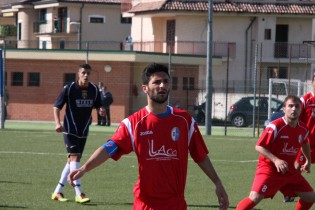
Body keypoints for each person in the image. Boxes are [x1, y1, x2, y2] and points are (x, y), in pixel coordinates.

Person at [68, 63, 229, 210]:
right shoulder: (133, 123)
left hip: (176, 204)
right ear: (145, 88)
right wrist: (84, 168)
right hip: (145, 205)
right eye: (157, 82)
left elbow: (200, 155)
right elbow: (108, 149)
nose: (162, 86)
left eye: (166, 81)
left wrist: (217, 182)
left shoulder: (184, 121)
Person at [236, 95, 315, 210]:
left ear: (301, 109)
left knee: (310, 197)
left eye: (297, 106)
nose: (293, 109)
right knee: (255, 197)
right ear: (284, 109)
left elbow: (305, 142)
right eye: (290, 106)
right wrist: (276, 160)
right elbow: (259, 146)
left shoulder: (303, 129)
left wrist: (308, 160)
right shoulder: (275, 126)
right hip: (269, 169)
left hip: (288, 171)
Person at [51, 63, 105, 204]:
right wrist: (57, 123)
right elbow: (56, 106)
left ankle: (57, 192)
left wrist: (101, 109)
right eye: (83, 73)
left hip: (84, 129)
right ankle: (79, 193)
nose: (86, 75)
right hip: (70, 129)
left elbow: (99, 104)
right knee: (75, 159)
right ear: (78, 74)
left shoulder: (94, 89)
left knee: (71, 161)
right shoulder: (69, 89)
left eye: (88, 73)